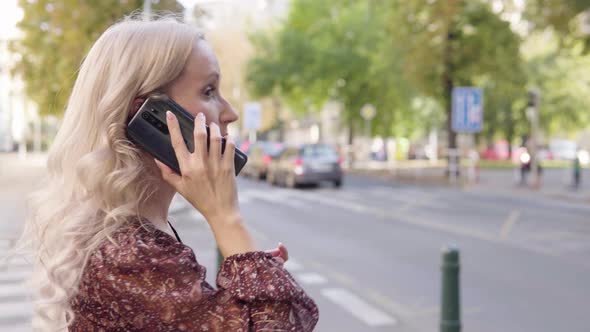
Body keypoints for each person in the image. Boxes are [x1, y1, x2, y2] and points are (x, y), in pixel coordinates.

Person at [20, 15, 318, 331]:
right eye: (209, 91)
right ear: (148, 116)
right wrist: (227, 220)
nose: (230, 113)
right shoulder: (128, 254)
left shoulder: (129, 233)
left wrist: (251, 274)